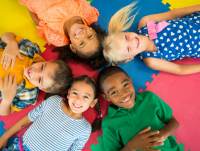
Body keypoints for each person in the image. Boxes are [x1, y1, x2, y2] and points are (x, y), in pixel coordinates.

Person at [0, 75, 102, 150]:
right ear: (68, 93)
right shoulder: (53, 101)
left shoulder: (85, 128)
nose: (78, 100)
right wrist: (5, 137)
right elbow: (29, 118)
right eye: (75, 93)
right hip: (20, 147)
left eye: (86, 97)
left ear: (93, 102)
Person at [97, 66, 180, 151]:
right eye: (114, 92)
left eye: (125, 85)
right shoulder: (109, 123)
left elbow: (173, 121)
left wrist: (164, 133)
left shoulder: (149, 98)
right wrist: (131, 146)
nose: (123, 93)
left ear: (130, 81)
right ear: (107, 97)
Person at [103, 3, 200, 75]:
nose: (132, 41)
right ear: (129, 58)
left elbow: (171, 15)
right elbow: (179, 69)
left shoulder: (145, 23)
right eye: (128, 49)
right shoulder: (151, 59)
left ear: (125, 32)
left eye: (126, 37)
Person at [18, 0, 107, 69]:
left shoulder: (56, 37)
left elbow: (37, 21)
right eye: (90, 36)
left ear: (72, 47)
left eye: (81, 43)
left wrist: (29, 3)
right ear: (93, 31)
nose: (82, 35)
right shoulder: (87, 13)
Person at [0, 32, 73, 116]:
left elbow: (4, 113)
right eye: (42, 67)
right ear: (48, 62)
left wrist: (7, 100)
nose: (34, 72)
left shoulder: (28, 95)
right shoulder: (31, 50)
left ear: (42, 88)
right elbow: (6, 35)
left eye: (39, 80)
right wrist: (11, 43)